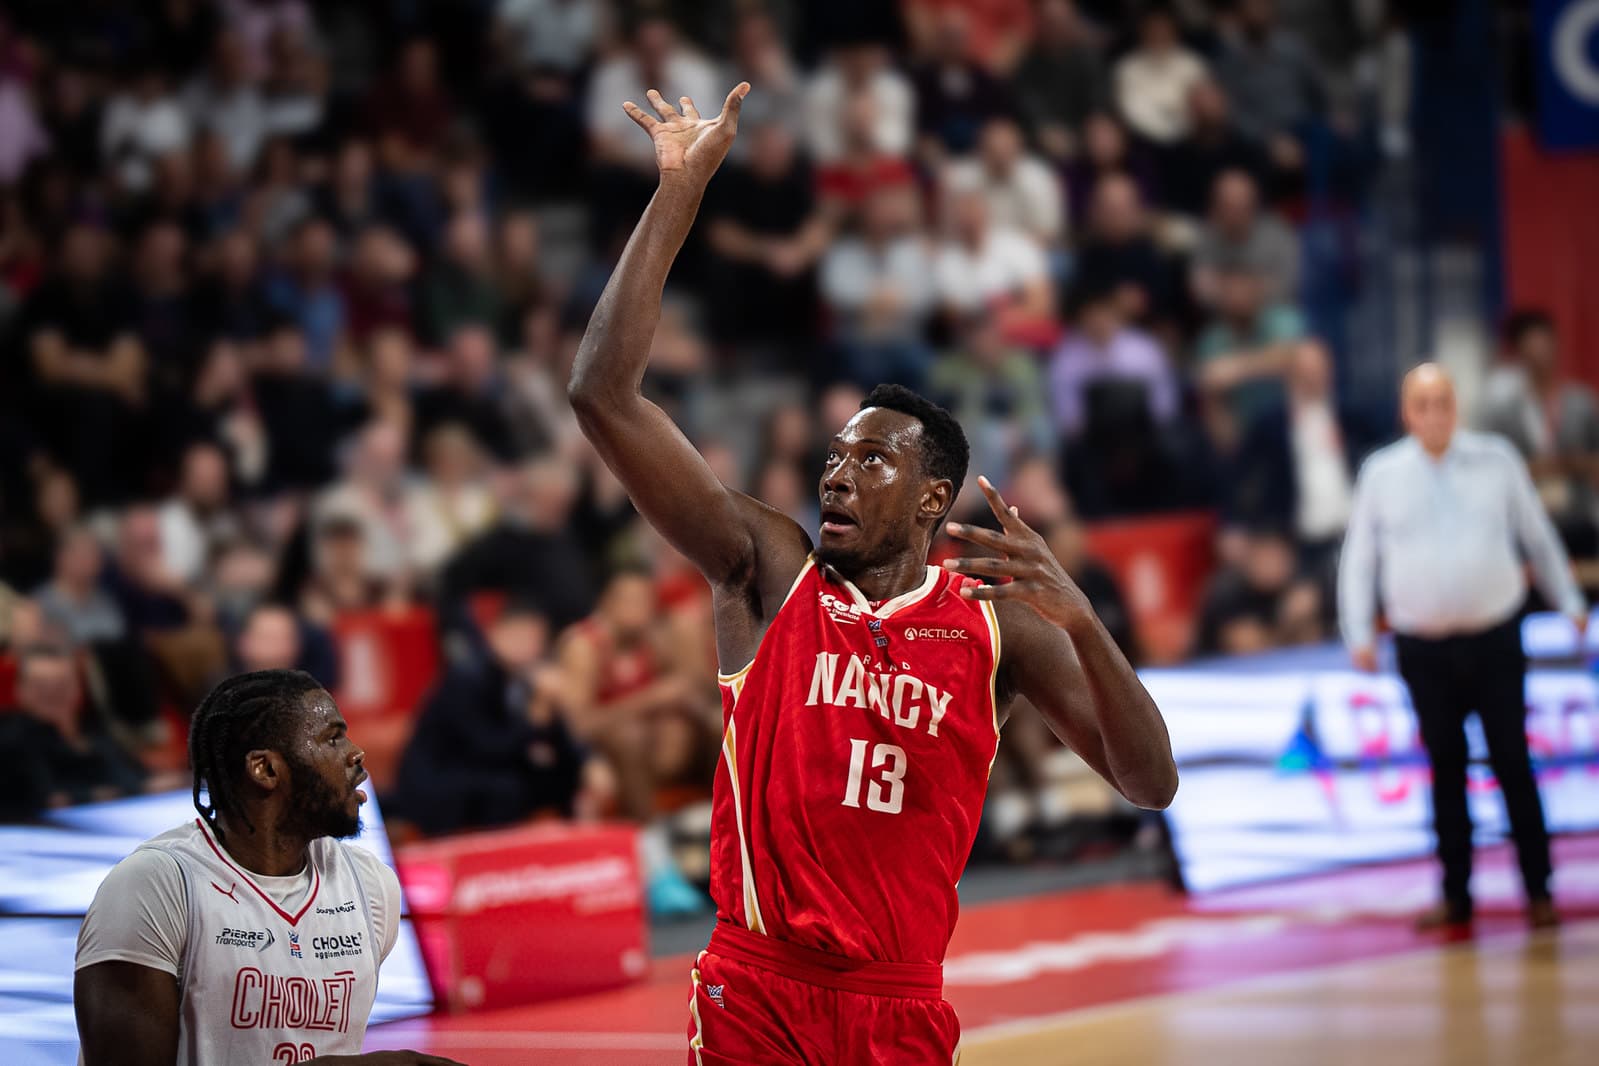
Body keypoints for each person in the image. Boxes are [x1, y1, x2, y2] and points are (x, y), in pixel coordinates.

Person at [569, 80, 1176, 1065]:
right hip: (757, 989)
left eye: (873, 459)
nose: (837, 474)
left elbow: (1150, 782)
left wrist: (1084, 623)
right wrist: (682, 187)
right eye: (836, 455)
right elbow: (601, 394)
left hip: (900, 1006)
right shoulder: (767, 570)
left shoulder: (995, 624)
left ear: (936, 498)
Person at [73, 669, 461, 1065]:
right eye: (332, 737)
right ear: (266, 769)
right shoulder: (155, 885)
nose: (355, 752)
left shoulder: (370, 886)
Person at [1338, 364, 1585, 932]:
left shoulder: (1496, 460)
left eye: (1442, 402)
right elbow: (1360, 558)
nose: (1433, 415)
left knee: (1511, 762)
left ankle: (1539, 890)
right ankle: (1455, 895)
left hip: (1495, 637)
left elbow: (1536, 534)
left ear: (1457, 406)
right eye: (1421, 405)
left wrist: (1568, 597)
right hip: (1422, 647)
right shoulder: (1383, 473)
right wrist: (1357, 630)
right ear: (1407, 414)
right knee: (1445, 769)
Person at [1480, 310, 1599, 558]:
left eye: (1545, 350)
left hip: (1577, 515)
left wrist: (1575, 463)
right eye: (1532, 353)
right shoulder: (1505, 410)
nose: (1541, 359)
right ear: (1520, 356)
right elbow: (1492, 468)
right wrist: (1535, 468)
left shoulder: (1581, 403)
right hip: (1526, 518)